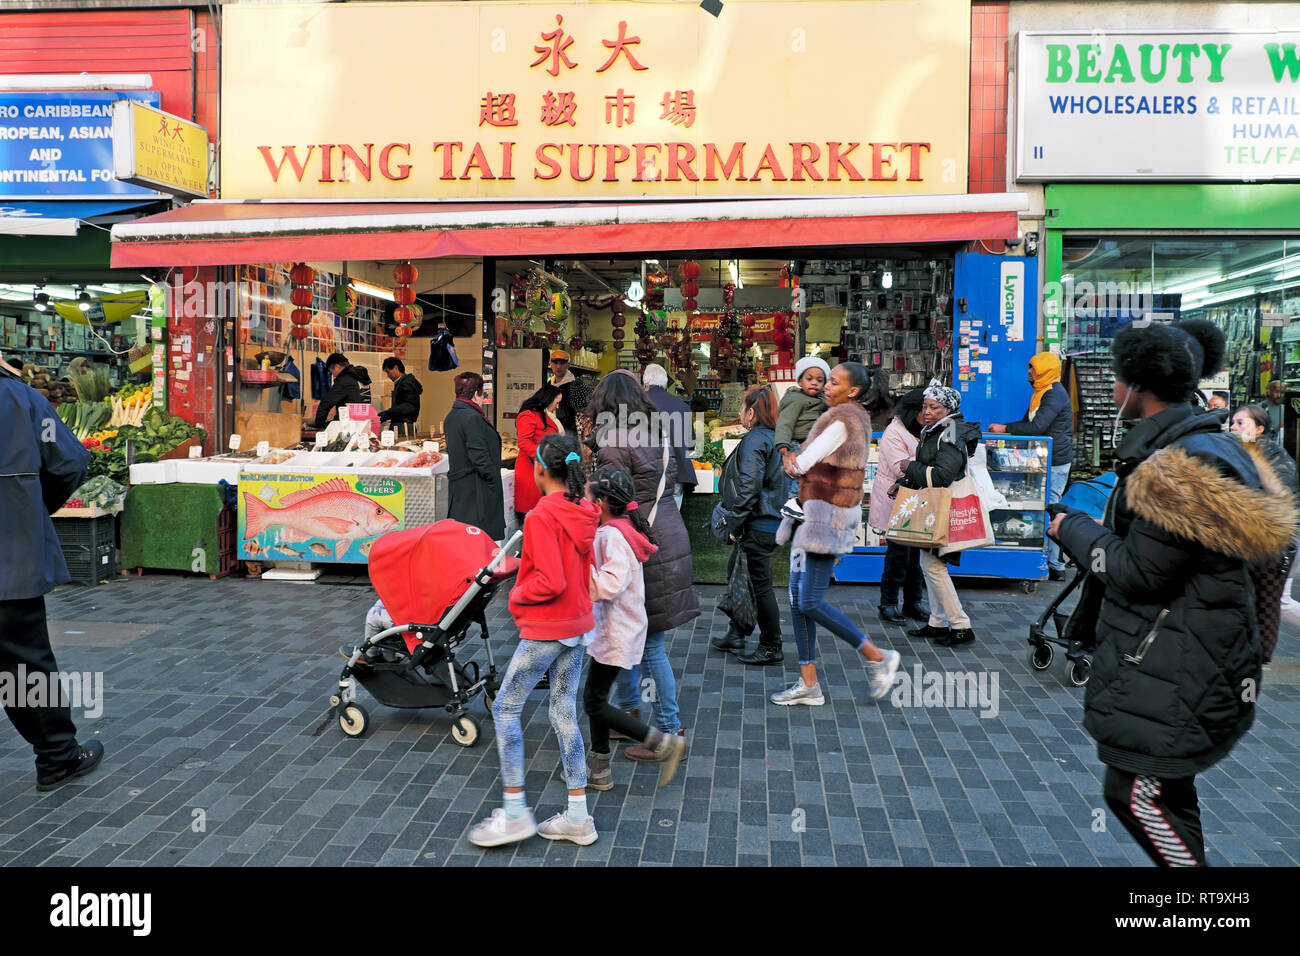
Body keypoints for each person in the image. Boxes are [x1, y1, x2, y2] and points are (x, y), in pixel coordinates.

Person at [1049, 321, 1294, 867]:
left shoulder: (1178, 468)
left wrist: (1071, 528)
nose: (1112, 391)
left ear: (1137, 385)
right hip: (1191, 649)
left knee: (1137, 795)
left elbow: (1138, 571)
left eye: (1117, 379)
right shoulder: (1202, 448)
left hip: (1180, 656)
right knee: (1163, 792)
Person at [469, 434, 601, 848]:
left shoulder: (542, 515)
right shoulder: (583, 510)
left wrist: (517, 593)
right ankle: (578, 816)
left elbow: (549, 580)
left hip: (548, 627)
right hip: (578, 625)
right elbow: (581, 571)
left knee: (506, 708)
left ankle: (513, 814)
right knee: (563, 712)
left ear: (540, 469)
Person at [0, 356, 105, 790]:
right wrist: (30, 508)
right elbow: (69, 463)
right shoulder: (19, 398)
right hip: (10, 560)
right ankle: (57, 756)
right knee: (23, 667)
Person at [775, 362, 902, 705]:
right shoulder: (856, 418)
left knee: (809, 601)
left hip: (824, 521)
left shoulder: (841, 419)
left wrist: (788, 454)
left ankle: (879, 657)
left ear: (854, 391)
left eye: (833, 382)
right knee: (799, 600)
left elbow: (801, 464)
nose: (826, 387)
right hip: (819, 518)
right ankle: (808, 684)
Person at [588, 369, 698, 760]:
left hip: (639, 540)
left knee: (649, 641)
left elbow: (607, 496)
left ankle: (671, 732)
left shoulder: (615, 439)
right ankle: (629, 713)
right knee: (637, 633)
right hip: (665, 531)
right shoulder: (658, 430)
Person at [582, 466, 686, 790]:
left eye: (587, 496)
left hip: (616, 631)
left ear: (600, 502)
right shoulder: (620, 528)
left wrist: (581, 572)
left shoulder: (612, 535)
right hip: (615, 629)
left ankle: (660, 742)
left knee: (593, 701)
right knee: (595, 696)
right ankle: (599, 767)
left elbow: (610, 585)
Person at [899, 381, 982, 646]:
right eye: (925, 406)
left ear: (948, 409)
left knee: (934, 567)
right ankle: (937, 621)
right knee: (930, 564)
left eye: (934, 407)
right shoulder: (937, 431)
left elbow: (942, 474)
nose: (927, 411)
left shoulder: (949, 434)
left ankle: (960, 625)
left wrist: (907, 467)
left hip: (942, 507)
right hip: (935, 507)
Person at [710, 387, 787, 665]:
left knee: (760, 584)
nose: (739, 414)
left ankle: (771, 644)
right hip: (768, 519)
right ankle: (737, 633)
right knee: (738, 572)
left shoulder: (755, 439)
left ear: (751, 413)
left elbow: (750, 486)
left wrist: (735, 522)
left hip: (759, 522)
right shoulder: (774, 437)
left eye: (742, 409)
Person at [989, 353, 1075, 580]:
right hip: (1042, 460)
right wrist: (1004, 429)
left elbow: (1037, 427)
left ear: (1045, 369)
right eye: (1029, 367)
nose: (1029, 371)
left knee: (1050, 510)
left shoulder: (1054, 394)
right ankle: (1046, 559)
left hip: (1054, 462)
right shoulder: (1040, 393)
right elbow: (1027, 424)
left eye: (1033, 368)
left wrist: (1004, 428)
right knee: (1041, 508)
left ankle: (1055, 564)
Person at [1230, 403, 1299, 664]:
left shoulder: (1276, 458)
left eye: (1241, 423)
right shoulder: (1238, 453)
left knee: (1274, 602)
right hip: (1246, 542)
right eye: (1233, 422)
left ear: (1259, 429)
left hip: (1272, 544)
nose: (1234, 428)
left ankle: (1257, 657)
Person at [869, 387, 929, 625]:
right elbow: (899, 467)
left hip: (916, 498)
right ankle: (888, 602)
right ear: (912, 411)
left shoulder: (921, 430)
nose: (928, 415)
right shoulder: (894, 432)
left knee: (915, 554)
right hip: (897, 500)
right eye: (924, 411)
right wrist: (932, 464)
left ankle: (913, 602)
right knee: (897, 554)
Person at [442, 371, 505, 540]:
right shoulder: (472, 418)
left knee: (464, 539)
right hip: (477, 492)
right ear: (477, 393)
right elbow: (479, 456)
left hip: (462, 491)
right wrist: (492, 478)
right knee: (479, 541)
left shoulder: (452, 416)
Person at [774, 356, 830, 520]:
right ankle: (793, 501)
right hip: (796, 442)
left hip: (811, 443)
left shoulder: (820, 400)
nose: (814, 383)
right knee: (799, 471)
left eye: (819, 380)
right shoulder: (795, 399)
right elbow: (785, 423)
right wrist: (782, 445)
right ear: (799, 382)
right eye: (809, 379)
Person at [643, 363, 697, 511]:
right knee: (671, 518)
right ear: (666, 383)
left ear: (644, 383)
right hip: (676, 472)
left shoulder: (635, 404)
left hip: (645, 474)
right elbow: (691, 444)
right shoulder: (681, 406)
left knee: (647, 521)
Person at [512, 384, 563, 524]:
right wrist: (545, 458)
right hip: (530, 470)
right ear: (549, 399)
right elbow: (524, 443)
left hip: (541, 468)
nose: (557, 406)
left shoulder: (542, 414)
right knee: (532, 511)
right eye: (556, 402)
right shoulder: (528, 415)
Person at [311, 352, 373, 428]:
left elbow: (326, 403)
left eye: (332, 372)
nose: (333, 376)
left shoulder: (344, 380)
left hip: (349, 425)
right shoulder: (358, 377)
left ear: (336, 367)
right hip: (363, 423)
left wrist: (318, 425)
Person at [548, 348, 593, 435]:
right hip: (554, 433)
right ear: (550, 364)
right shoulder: (549, 384)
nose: (558, 366)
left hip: (572, 434)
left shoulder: (577, 385)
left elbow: (588, 412)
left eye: (562, 363)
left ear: (568, 365)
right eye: (555, 362)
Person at [377, 357, 422, 436]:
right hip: (403, 425)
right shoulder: (403, 382)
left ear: (395, 368)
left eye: (388, 372)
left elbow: (409, 406)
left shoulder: (406, 383)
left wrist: (387, 413)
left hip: (403, 427)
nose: (388, 376)